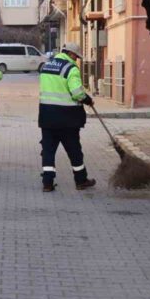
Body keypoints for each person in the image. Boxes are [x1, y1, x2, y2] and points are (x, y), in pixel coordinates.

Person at [38, 43, 96, 192]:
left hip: (47, 117)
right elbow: (77, 92)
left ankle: (47, 183)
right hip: (67, 118)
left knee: (48, 151)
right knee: (74, 150)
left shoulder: (46, 66)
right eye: (76, 56)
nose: (76, 60)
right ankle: (81, 180)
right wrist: (88, 100)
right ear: (70, 54)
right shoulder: (70, 69)